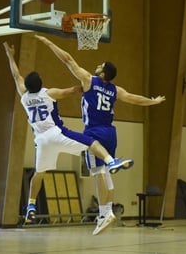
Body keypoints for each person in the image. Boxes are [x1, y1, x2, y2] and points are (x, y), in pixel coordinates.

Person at [35, 35, 166, 235]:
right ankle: (106, 210)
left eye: (100, 65)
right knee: (105, 173)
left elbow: (68, 60)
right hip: (110, 132)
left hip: (94, 132)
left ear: (103, 73)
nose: (97, 66)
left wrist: (49, 43)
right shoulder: (115, 89)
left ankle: (105, 213)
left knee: (98, 174)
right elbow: (133, 99)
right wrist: (153, 101)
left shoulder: (89, 80)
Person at [3, 42, 133, 232]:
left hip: (41, 141)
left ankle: (30, 204)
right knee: (91, 142)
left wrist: (10, 55)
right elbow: (71, 90)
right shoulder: (49, 93)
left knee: (39, 174)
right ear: (41, 84)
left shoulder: (23, 95)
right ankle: (110, 161)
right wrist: (80, 88)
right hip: (57, 134)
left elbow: (16, 75)